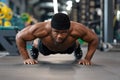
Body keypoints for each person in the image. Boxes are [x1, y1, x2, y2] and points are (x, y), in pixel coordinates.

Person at [16, 13, 98, 65]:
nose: (59, 36)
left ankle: (77, 48)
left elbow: (94, 39)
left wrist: (87, 59)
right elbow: (19, 36)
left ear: (68, 29)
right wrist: (26, 58)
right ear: (51, 28)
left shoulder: (76, 29)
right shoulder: (41, 29)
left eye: (63, 32)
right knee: (37, 42)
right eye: (56, 32)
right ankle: (34, 48)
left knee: (75, 42)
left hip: (68, 47)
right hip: (46, 48)